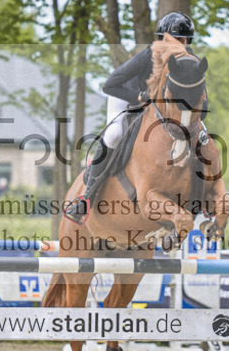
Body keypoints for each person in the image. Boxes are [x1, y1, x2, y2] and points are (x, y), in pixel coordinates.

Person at [64, 11, 197, 225]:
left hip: (156, 109)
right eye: (177, 40)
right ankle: (86, 196)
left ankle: (203, 196)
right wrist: (139, 96)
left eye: (184, 41)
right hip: (126, 97)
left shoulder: (189, 61)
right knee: (115, 134)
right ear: (164, 37)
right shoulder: (146, 56)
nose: (181, 45)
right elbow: (109, 85)